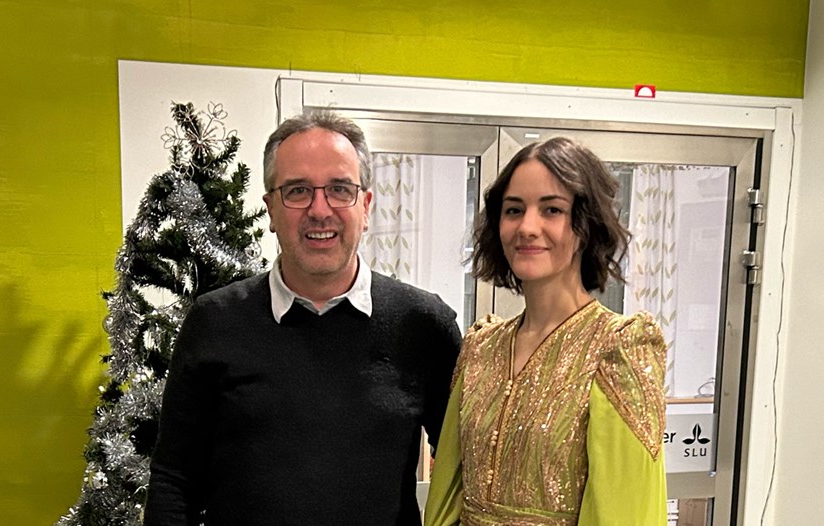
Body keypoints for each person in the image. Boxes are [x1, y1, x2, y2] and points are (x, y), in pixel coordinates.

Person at [144, 110, 462, 526]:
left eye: (339, 189)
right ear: (271, 210)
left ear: (365, 206)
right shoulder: (215, 321)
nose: (319, 209)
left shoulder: (423, 325)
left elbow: (464, 472)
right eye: (297, 191)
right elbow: (174, 479)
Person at [424, 137, 667, 526]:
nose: (527, 227)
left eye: (551, 209)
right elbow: (446, 496)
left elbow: (625, 511)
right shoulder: (481, 347)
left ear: (585, 225)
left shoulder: (617, 349)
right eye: (514, 209)